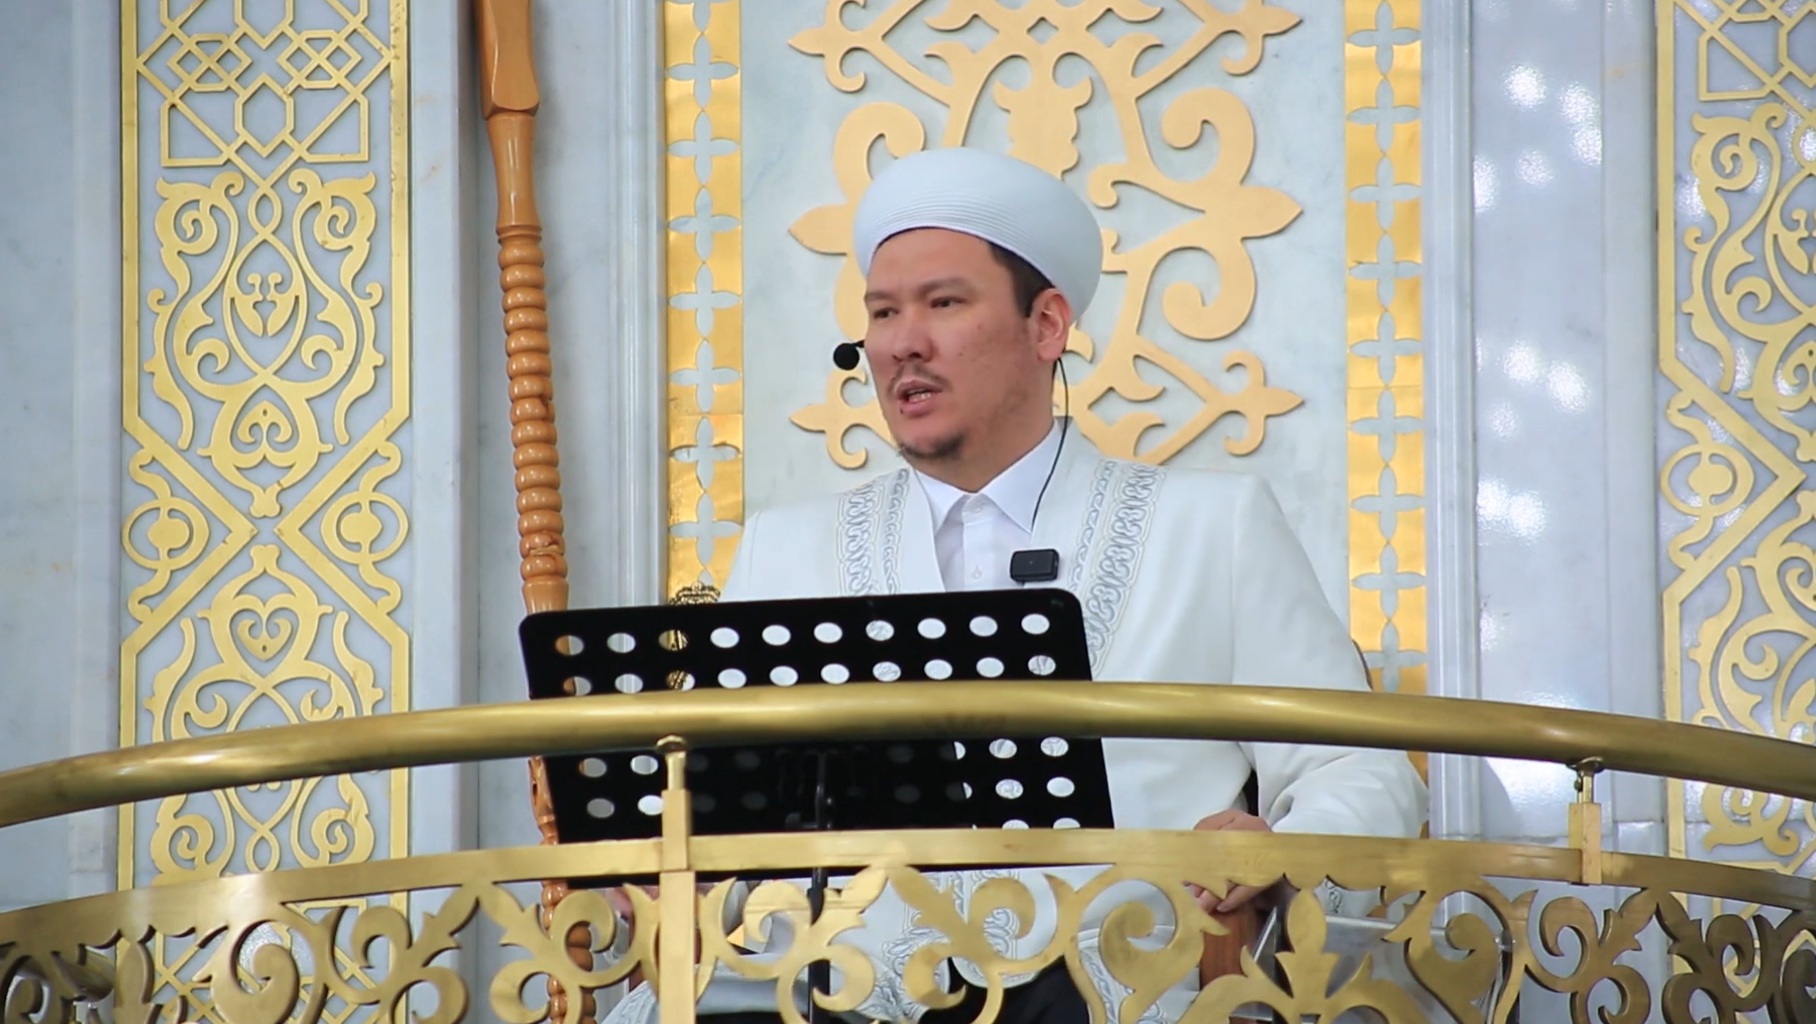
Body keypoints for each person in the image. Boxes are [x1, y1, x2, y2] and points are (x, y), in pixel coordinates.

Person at [607, 147, 1427, 1024]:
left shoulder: (1210, 526)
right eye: (883, 312)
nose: (903, 342)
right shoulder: (784, 548)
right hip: (832, 990)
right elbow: (710, 817)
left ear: (1046, 327)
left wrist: (1273, 850)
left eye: (944, 303)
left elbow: (1362, 770)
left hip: (1110, 984)